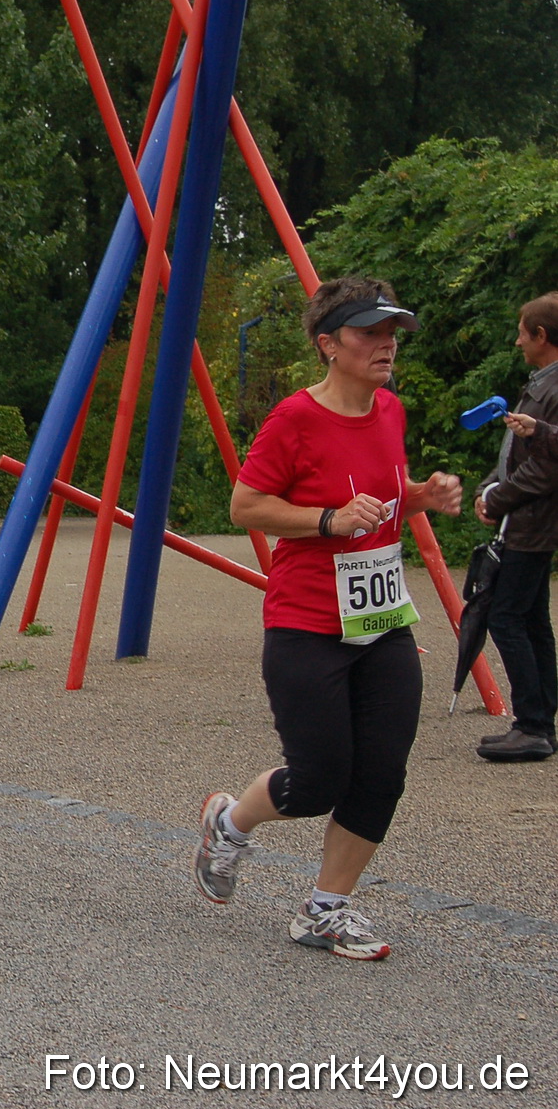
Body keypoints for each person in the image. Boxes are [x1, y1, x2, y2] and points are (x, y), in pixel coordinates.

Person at [193, 277, 462, 961]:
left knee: (382, 773)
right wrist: (325, 521)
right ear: (328, 344)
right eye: (369, 332)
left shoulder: (391, 411)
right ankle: (229, 820)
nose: (385, 344)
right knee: (318, 779)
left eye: (392, 332)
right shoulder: (294, 420)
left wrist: (421, 495)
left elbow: (382, 494)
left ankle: (326, 907)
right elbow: (246, 505)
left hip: (381, 622)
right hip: (307, 622)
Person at [472, 293, 558, 763]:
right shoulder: (541, 383)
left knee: (505, 617)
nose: (518, 340)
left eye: (523, 331)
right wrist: (491, 487)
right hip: (526, 520)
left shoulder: (553, 387)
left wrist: (497, 497)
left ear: (542, 337)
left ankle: (532, 725)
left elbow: (546, 469)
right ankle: (542, 719)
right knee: (531, 619)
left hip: (533, 523)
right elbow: (518, 456)